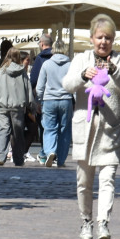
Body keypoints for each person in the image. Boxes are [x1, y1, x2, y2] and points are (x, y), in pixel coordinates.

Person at [61, 13, 120, 239]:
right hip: (85, 130)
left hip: (110, 130)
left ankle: (103, 224)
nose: (103, 42)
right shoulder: (81, 59)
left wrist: (115, 71)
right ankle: (86, 222)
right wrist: (83, 76)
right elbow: (67, 85)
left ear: (113, 40)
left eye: (108, 38)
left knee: (107, 180)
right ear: (92, 38)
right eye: (99, 37)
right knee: (84, 182)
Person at [36, 39, 75, 168]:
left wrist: (40, 100)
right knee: (64, 130)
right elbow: (74, 85)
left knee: (49, 128)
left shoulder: (47, 64)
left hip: (49, 100)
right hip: (66, 100)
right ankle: (61, 159)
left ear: (53, 49)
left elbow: (39, 86)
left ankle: (50, 151)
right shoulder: (70, 65)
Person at [0, 48, 34, 167]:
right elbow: (28, 89)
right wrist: (30, 104)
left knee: (2, 130)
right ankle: (18, 158)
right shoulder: (22, 72)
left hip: (2, 105)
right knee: (18, 133)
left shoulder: (1, 71)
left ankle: (1, 156)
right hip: (18, 106)